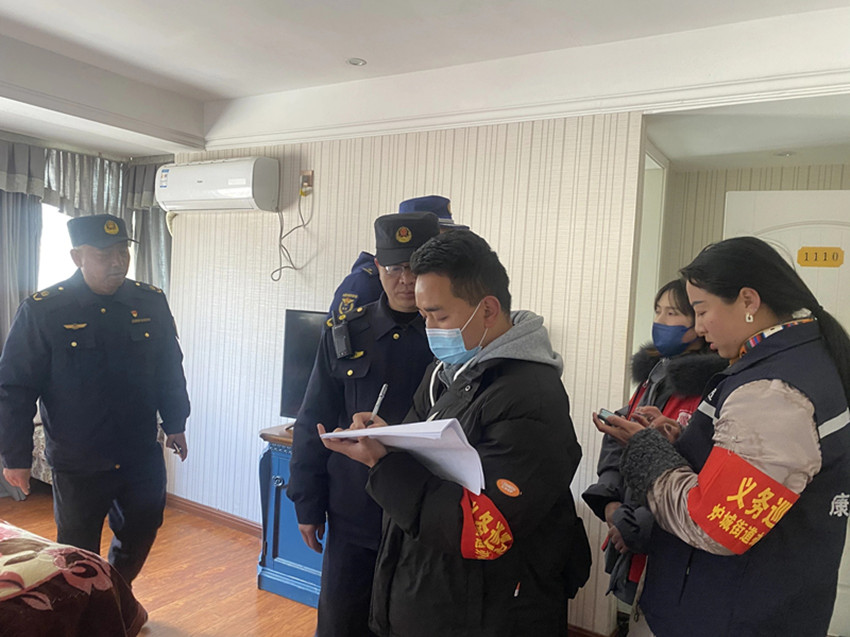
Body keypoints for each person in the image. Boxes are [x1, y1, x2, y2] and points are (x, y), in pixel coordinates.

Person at [320, 230, 591, 637]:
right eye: (424, 315)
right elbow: (424, 461)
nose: (429, 328)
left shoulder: (531, 396)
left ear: (488, 309)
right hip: (432, 592)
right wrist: (388, 438)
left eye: (439, 316)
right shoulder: (447, 372)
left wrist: (383, 463)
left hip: (485, 611)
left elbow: (486, 530)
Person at [595, 237, 850, 637]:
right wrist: (684, 440)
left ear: (748, 301)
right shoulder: (792, 360)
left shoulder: (774, 392)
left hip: (730, 614)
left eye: (701, 310)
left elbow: (715, 525)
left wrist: (648, 452)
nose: (698, 327)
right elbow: (753, 464)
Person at [0, 214, 190, 586]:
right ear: (77, 257)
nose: (117, 262)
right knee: (77, 550)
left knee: (144, 527)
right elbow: (15, 388)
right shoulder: (44, 310)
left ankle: (114, 592)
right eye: (105, 255)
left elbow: (169, 365)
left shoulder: (149, 301)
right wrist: (15, 456)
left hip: (138, 451)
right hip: (79, 460)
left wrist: (176, 422)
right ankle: (87, 605)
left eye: (123, 252)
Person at [287, 211, 440, 637]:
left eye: (416, 268)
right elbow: (314, 417)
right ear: (377, 267)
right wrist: (307, 502)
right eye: (394, 268)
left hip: (422, 516)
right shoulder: (347, 332)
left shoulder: (450, 336)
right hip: (354, 510)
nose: (405, 280)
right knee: (340, 624)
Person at [581, 279, 725, 628]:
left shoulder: (714, 385)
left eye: (672, 313)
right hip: (629, 525)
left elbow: (699, 472)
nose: (660, 321)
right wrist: (611, 504)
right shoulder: (655, 374)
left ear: (699, 321)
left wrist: (635, 525)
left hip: (669, 541)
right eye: (657, 311)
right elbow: (619, 439)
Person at [328, 195, 467, 316]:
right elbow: (341, 331)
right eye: (438, 236)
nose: (443, 244)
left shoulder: (442, 273)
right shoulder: (365, 281)